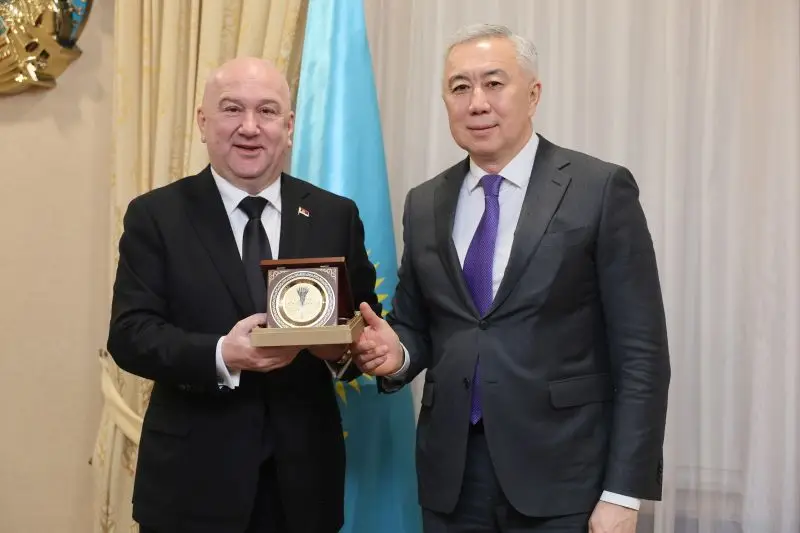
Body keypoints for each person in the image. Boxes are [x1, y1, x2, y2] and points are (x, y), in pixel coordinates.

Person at [352, 24, 670, 533]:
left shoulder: (599, 189)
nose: (477, 102)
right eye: (460, 87)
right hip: (452, 482)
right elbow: (419, 325)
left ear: (533, 94)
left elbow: (641, 354)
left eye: (494, 83)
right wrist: (399, 355)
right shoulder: (425, 202)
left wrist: (623, 493)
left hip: (566, 481)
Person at [106, 57, 379, 533]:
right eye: (232, 109)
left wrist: (342, 351)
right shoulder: (156, 216)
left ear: (288, 127)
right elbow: (130, 335)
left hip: (303, 489)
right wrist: (222, 354)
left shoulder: (335, 215)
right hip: (190, 486)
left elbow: (364, 325)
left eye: (267, 111)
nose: (249, 127)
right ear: (203, 121)